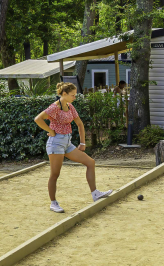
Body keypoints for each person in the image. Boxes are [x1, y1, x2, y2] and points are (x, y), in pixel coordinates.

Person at [33, 82, 113, 213]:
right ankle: (53, 203)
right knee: (55, 174)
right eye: (72, 95)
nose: (74, 97)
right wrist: (51, 131)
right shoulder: (54, 107)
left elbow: (80, 124)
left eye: (75, 95)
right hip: (56, 143)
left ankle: (95, 194)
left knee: (90, 163)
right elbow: (38, 119)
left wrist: (82, 143)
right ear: (64, 94)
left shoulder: (70, 106)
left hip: (67, 142)